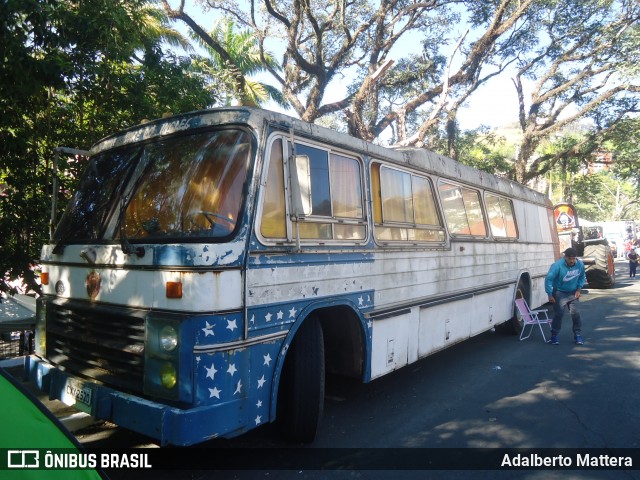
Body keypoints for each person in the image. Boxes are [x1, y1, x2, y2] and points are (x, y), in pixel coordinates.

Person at [545, 247, 587, 345]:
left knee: (576, 314)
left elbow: (582, 277)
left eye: (574, 258)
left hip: (573, 292)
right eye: (569, 259)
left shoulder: (580, 264)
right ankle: (554, 336)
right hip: (559, 292)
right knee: (559, 314)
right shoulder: (557, 265)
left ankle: (577, 335)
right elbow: (548, 279)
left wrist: (578, 289)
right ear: (565, 257)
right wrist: (549, 294)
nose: (572, 261)